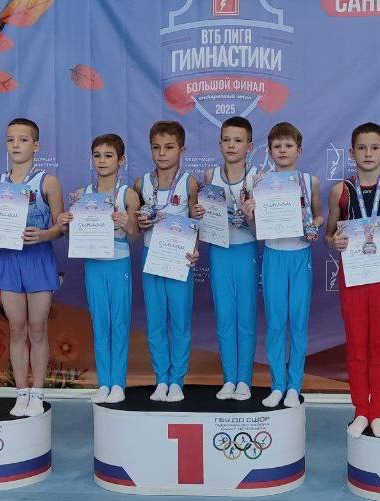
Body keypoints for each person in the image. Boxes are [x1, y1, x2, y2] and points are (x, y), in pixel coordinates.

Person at [325, 122, 380, 438]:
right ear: (352, 153)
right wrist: (333, 241)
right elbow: (329, 234)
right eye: (362, 148)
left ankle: (379, 412)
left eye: (374, 148)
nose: (368, 153)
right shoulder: (340, 191)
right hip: (354, 271)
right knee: (358, 343)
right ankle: (361, 409)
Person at [243, 122, 323, 408]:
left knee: (298, 323)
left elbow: (319, 216)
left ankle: (294, 385)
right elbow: (255, 229)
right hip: (274, 256)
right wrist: (249, 214)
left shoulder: (310, 181)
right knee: (276, 323)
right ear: (269, 151)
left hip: (300, 256)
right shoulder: (260, 182)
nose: (283, 150)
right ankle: (277, 385)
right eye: (277, 146)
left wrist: (314, 225)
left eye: (288, 146)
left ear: (299, 150)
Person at [59, 134, 140, 404]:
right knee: (100, 323)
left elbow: (135, 236)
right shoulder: (81, 195)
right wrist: (66, 223)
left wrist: (127, 223)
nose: (102, 161)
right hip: (93, 265)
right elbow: (73, 235)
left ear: (121, 160)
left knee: (119, 323)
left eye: (108, 155)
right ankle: (104, 382)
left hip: (118, 264)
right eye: (97, 155)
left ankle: (118, 383)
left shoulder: (128, 194)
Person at [0, 118, 65, 417]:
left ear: (36, 145)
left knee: (37, 328)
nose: (16, 145)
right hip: (9, 262)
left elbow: (61, 226)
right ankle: (21, 392)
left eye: (23, 140)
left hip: (39, 260)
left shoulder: (48, 182)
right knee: (16, 328)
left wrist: (45, 235)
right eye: (11, 140)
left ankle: (37, 391)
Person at [134, 120, 201, 402]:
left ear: (182, 150)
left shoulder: (189, 182)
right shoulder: (141, 183)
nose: (162, 153)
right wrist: (139, 223)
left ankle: (177, 381)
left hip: (179, 258)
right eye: (156, 147)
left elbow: (197, 221)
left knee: (180, 322)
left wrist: (195, 249)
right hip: (151, 256)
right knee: (156, 322)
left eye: (169, 147)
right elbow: (136, 227)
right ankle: (161, 379)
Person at [204, 116, 260, 401]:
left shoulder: (257, 177)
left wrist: (249, 216)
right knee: (224, 316)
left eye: (238, 140)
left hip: (246, 249)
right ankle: (229, 379)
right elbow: (203, 221)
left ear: (249, 146)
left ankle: (245, 380)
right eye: (226, 140)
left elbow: (261, 231)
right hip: (219, 251)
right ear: (219, 144)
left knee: (245, 317)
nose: (231, 145)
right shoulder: (210, 176)